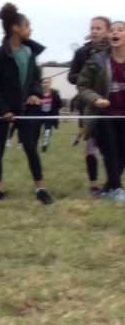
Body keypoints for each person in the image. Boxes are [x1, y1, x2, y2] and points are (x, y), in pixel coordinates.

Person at [0, 3, 52, 204]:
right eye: (27, 25)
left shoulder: (30, 54)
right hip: (3, 111)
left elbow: (34, 79)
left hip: (24, 110)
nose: (31, 29)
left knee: (30, 148)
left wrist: (35, 93)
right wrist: (3, 110)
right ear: (15, 28)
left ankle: (41, 189)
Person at [76, 20, 125, 201]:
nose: (115, 33)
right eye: (112, 30)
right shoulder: (97, 59)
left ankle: (108, 188)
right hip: (104, 114)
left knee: (122, 152)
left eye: (120, 30)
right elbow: (82, 85)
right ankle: (117, 188)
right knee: (110, 149)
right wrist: (95, 99)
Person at [69, 16, 110, 194]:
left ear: (107, 31)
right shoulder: (82, 52)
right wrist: (85, 77)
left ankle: (111, 182)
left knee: (109, 146)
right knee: (91, 145)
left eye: (98, 28)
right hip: (88, 105)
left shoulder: (114, 51)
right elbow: (71, 76)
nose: (94, 31)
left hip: (111, 105)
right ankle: (93, 185)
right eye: (92, 28)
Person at [37, 77, 61, 152]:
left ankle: (44, 147)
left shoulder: (54, 94)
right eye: (44, 82)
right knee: (36, 131)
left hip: (49, 116)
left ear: (50, 84)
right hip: (39, 115)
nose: (46, 84)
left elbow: (59, 105)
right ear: (41, 84)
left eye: (47, 82)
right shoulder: (38, 93)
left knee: (47, 132)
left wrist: (55, 118)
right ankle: (34, 145)